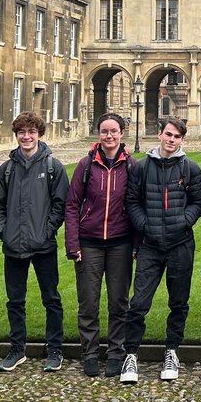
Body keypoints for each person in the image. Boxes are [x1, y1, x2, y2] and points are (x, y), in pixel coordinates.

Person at [120, 116, 201, 384]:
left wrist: (183, 221)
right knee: (138, 303)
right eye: (168, 135)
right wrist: (145, 226)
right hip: (150, 245)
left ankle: (172, 351)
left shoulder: (190, 168)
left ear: (182, 140)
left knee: (178, 303)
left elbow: (198, 202)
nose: (171, 140)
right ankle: (131, 354)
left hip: (180, 243)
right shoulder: (142, 168)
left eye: (177, 137)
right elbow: (132, 201)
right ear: (160, 135)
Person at [0, 111, 69, 373]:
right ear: (17, 135)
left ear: (39, 135)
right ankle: (17, 349)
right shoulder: (7, 169)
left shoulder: (52, 167)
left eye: (31, 132)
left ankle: (55, 350)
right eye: (22, 132)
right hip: (13, 246)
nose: (26, 136)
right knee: (15, 300)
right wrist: (4, 231)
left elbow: (61, 205)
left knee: (51, 299)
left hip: (43, 245)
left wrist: (46, 231)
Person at [65, 112, 135, 378]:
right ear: (99, 134)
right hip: (89, 242)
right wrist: (73, 243)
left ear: (122, 133)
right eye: (105, 131)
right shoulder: (85, 166)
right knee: (89, 302)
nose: (109, 136)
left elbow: (136, 207)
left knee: (119, 302)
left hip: (120, 243)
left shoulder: (131, 166)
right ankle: (90, 353)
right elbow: (72, 206)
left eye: (114, 131)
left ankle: (116, 352)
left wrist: (136, 245)